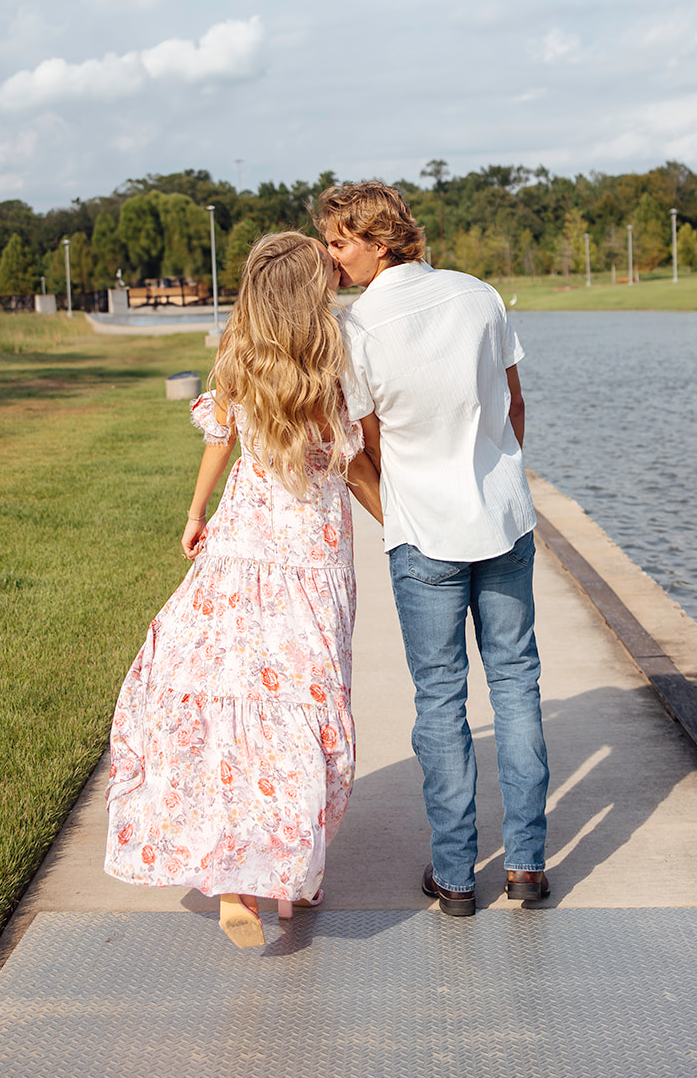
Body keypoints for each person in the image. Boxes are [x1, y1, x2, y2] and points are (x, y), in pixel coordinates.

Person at [105, 232, 382, 949]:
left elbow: (218, 441)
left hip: (239, 550)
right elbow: (352, 468)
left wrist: (196, 513)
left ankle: (239, 880)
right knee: (307, 702)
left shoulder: (237, 358)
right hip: (313, 560)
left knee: (238, 702)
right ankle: (289, 873)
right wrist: (398, 522)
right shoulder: (334, 366)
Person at [316, 182, 549, 916]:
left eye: (339, 242)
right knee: (514, 684)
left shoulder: (355, 333)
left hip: (425, 538)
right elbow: (512, 404)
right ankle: (527, 866)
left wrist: (399, 512)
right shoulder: (479, 296)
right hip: (503, 519)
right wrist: (494, 472)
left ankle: (454, 878)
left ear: (380, 242)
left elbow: (358, 447)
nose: (330, 257)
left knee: (441, 700)